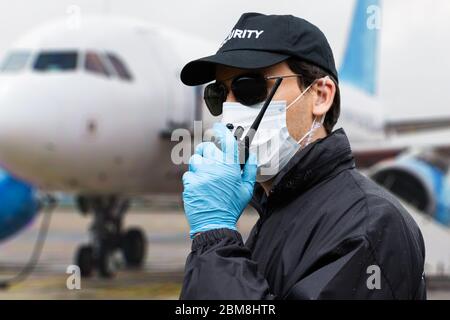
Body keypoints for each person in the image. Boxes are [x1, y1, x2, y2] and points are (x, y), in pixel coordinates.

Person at [178, 12, 426, 299]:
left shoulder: (370, 225)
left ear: (320, 95)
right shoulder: (279, 212)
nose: (229, 110)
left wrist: (216, 238)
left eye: (250, 87)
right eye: (219, 94)